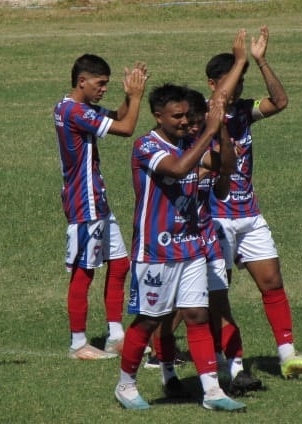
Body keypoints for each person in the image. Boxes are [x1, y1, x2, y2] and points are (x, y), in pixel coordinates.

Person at [114, 81, 246, 412]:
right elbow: (178, 168)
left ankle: (212, 391)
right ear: (158, 116)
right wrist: (208, 133)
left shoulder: (191, 142)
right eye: (177, 116)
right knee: (149, 320)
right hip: (156, 251)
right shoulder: (147, 146)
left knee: (198, 316)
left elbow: (227, 167)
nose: (185, 121)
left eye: (187, 115)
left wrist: (221, 128)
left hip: (191, 247)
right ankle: (125, 385)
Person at [206, 26, 302, 378]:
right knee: (216, 293)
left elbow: (280, 101)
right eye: (233, 80)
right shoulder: (203, 113)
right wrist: (239, 60)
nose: (239, 88)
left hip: (249, 214)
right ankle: (223, 362)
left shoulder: (244, 111)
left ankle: (287, 356)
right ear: (213, 83)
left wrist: (260, 62)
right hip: (216, 217)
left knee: (271, 281)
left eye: (242, 81)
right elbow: (218, 105)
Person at [53, 54, 148, 359]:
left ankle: (115, 336)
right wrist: (137, 97)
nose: (104, 89)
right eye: (100, 83)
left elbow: (117, 116)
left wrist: (127, 97)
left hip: (97, 200)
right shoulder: (75, 112)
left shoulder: (72, 107)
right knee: (84, 272)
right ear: (82, 81)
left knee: (119, 264)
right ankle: (78, 344)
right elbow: (127, 128)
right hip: (85, 203)